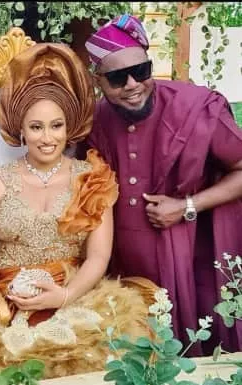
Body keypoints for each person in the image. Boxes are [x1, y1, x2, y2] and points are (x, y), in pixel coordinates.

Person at [0, 43, 152, 380]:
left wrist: (64, 296)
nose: (47, 138)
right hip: (13, 304)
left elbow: (98, 257)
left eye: (56, 126)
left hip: (78, 295)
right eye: (36, 127)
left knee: (107, 357)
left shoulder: (92, 178)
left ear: (68, 128)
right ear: (21, 130)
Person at [81, 13, 242, 355]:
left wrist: (187, 206)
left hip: (189, 264)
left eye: (141, 71)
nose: (132, 85)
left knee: (193, 354)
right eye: (117, 78)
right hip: (121, 271)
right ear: (99, 81)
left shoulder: (195, 108)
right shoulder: (95, 119)